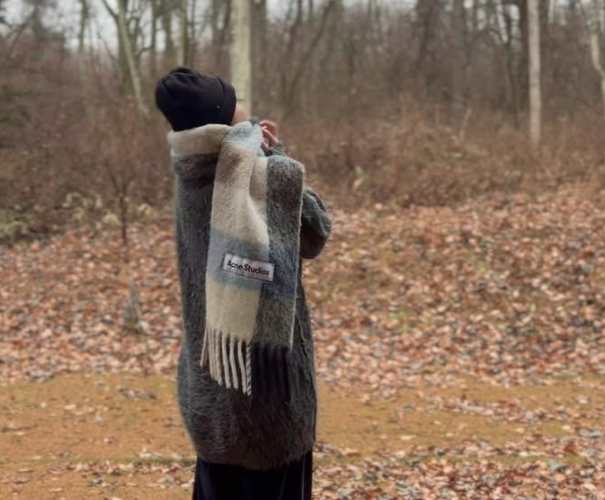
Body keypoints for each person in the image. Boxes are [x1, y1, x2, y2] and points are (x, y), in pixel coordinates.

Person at [154, 67, 332, 500]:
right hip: (268, 399)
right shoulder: (255, 171)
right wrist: (274, 158)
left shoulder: (189, 167)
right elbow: (315, 232)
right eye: (235, 100)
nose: (245, 106)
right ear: (222, 115)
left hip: (209, 387)